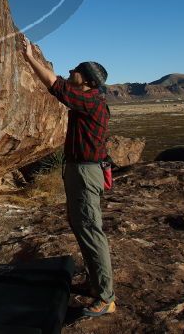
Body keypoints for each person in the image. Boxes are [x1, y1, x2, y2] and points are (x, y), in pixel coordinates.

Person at [19, 34, 116, 318]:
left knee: (90, 230)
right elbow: (60, 83)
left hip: (86, 173)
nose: (71, 70)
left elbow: (55, 85)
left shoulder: (90, 101)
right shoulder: (89, 99)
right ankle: (95, 282)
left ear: (86, 81)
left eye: (76, 69)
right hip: (80, 170)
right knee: (81, 226)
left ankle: (106, 297)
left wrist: (29, 57)